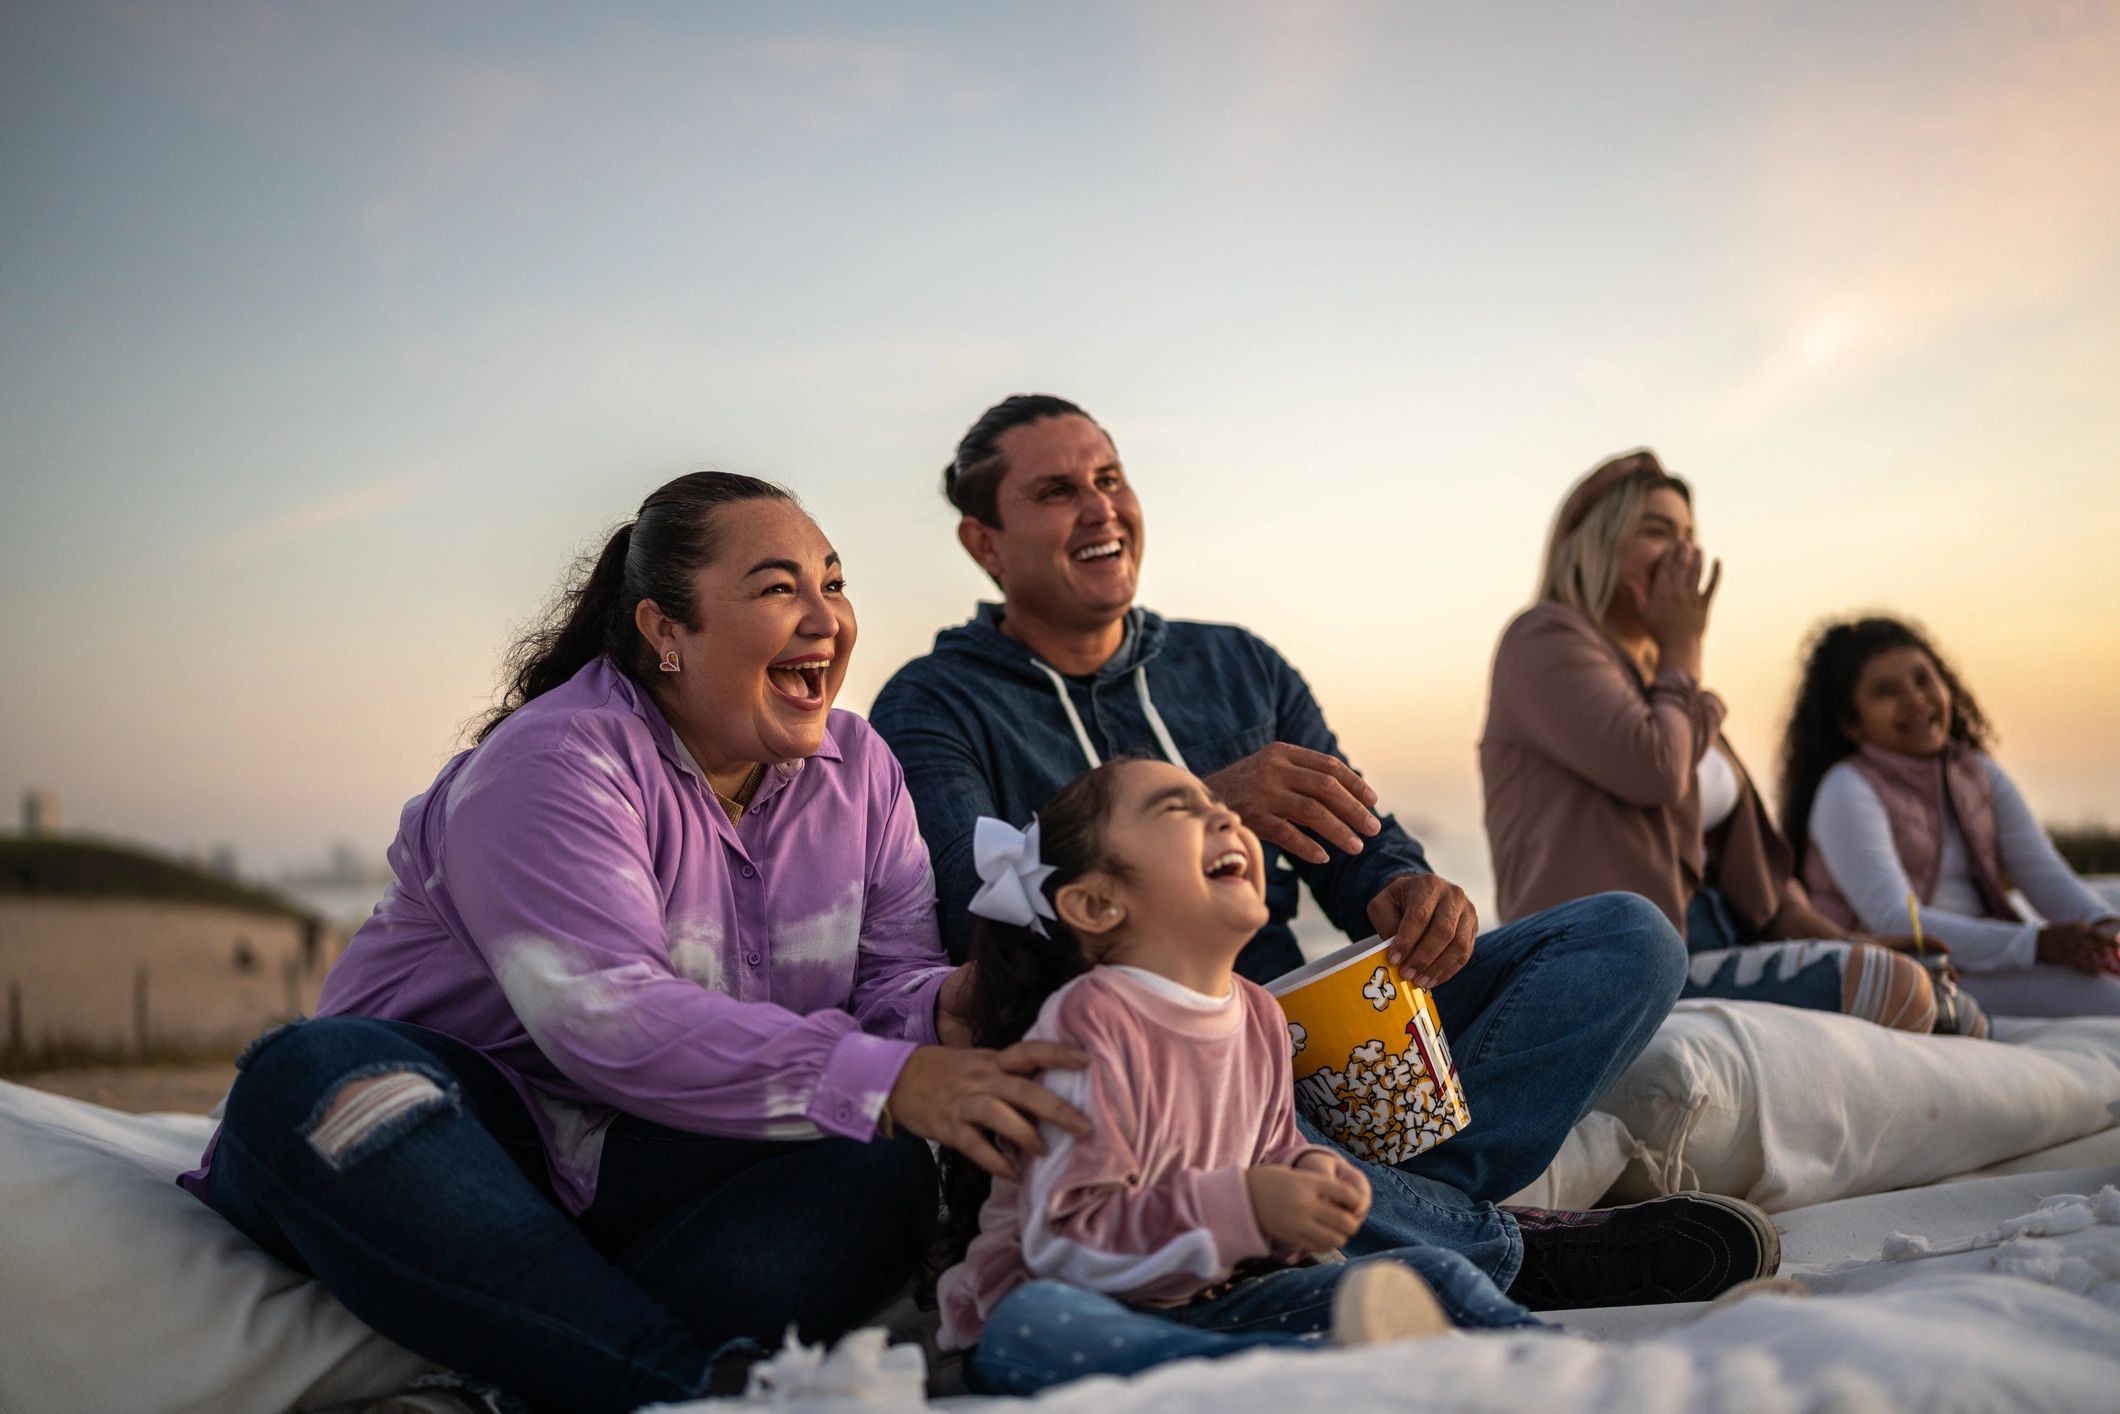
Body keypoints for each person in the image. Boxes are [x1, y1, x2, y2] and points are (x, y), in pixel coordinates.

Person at [180, 472, 1093, 1414]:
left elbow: (888, 984)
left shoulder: (859, 771)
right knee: (311, 1075)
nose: (827, 619)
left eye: (833, 583)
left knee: (876, 1165)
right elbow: (608, 1018)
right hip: (445, 1146)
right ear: (666, 631)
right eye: (779, 588)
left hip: (636, 1172)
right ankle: (676, 1389)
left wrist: (958, 1007)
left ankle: (526, 1382)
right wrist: (890, 1079)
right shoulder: (555, 759)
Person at [872, 395, 1777, 1314]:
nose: (1101, 507)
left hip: (1297, 1049)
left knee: (1629, 938)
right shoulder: (933, 703)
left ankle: (1386, 1217)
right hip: (1144, 1076)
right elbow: (977, 920)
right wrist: (1207, 805)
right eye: (1058, 492)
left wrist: (1412, 892)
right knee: (1209, 1097)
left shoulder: (1239, 667)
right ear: (984, 544)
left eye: (1110, 479)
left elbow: (1363, 851)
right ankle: (1496, 1251)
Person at [936, 758, 1547, 1395]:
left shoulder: (1257, 1014)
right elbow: (1064, 1243)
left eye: (1218, 809)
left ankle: (1552, 1369)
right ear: (1096, 904)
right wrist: (1244, 1205)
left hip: (1201, 1308)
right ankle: (1292, 1374)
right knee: (1032, 1321)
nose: (1225, 819)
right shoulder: (1091, 1020)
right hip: (1065, 1311)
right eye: (1180, 810)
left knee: (1435, 1274)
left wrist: (1307, 1181)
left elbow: (1271, 1149)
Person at [1479, 450, 1978, 1036]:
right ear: (1593, 544)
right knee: (1894, 990)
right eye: (1657, 532)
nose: (1683, 555)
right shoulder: (1541, 640)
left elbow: (1764, 887)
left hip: (1724, 945)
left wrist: (1847, 943)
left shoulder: (1668, 688)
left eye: (1689, 536)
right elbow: (1654, 769)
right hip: (1623, 964)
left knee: (1939, 996)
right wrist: (1683, 649)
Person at [1783, 615, 2120, 1017]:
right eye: (1886, 691)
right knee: (2103, 994)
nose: (1915, 700)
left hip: (1993, 952)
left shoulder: (1978, 773)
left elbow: (2044, 874)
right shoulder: (1845, 790)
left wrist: (2104, 927)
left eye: (1923, 680)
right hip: (1920, 973)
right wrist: (2038, 944)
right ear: (1850, 723)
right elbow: (1895, 921)